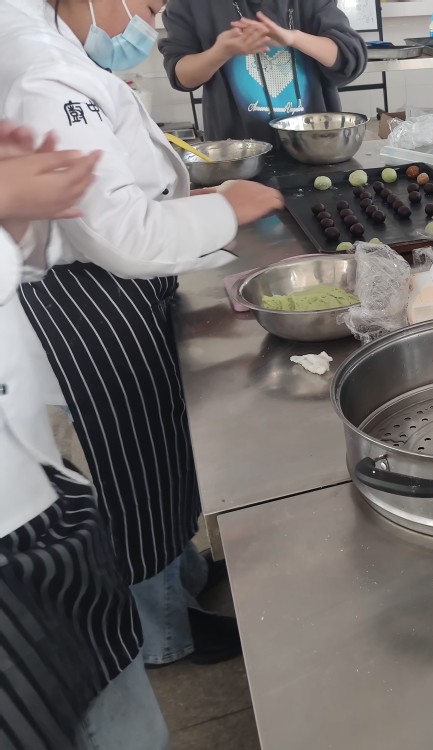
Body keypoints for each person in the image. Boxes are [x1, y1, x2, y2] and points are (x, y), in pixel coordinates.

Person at [0, 0, 284, 667]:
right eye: (149, 4)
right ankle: (164, 635)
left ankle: (183, 577)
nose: (150, 20)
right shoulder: (42, 70)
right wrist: (225, 209)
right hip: (90, 305)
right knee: (136, 476)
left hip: (104, 293)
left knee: (161, 454)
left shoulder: (53, 48)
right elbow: (120, 238)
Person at [0, 122, 169, 749]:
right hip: (10, 534)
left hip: (38, 492)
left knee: (117, 699)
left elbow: (21, 262)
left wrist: (18, 219)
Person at [160, 0, 367, 144]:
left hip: (317, 146)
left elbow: (350, 58)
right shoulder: (189, 5)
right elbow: (181, 76)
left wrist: (294, 38)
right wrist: (220, 53)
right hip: (236, 153)